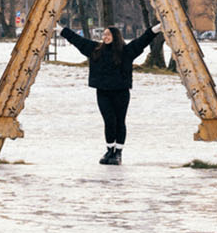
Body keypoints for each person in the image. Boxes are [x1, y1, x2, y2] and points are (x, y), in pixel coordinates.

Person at [60, 21, 162, 165]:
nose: (105, 36)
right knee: (109, 121)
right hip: (103, 92)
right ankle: (109, 150)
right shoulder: (96, 49)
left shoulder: (126, 51)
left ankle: (118, 153)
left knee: (119, 121)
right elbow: (78, 40)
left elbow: (143, 40)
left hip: (121, 92)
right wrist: (61, 30)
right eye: (104, 34)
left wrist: (156, 29)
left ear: (115, 36)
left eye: (108, 34)